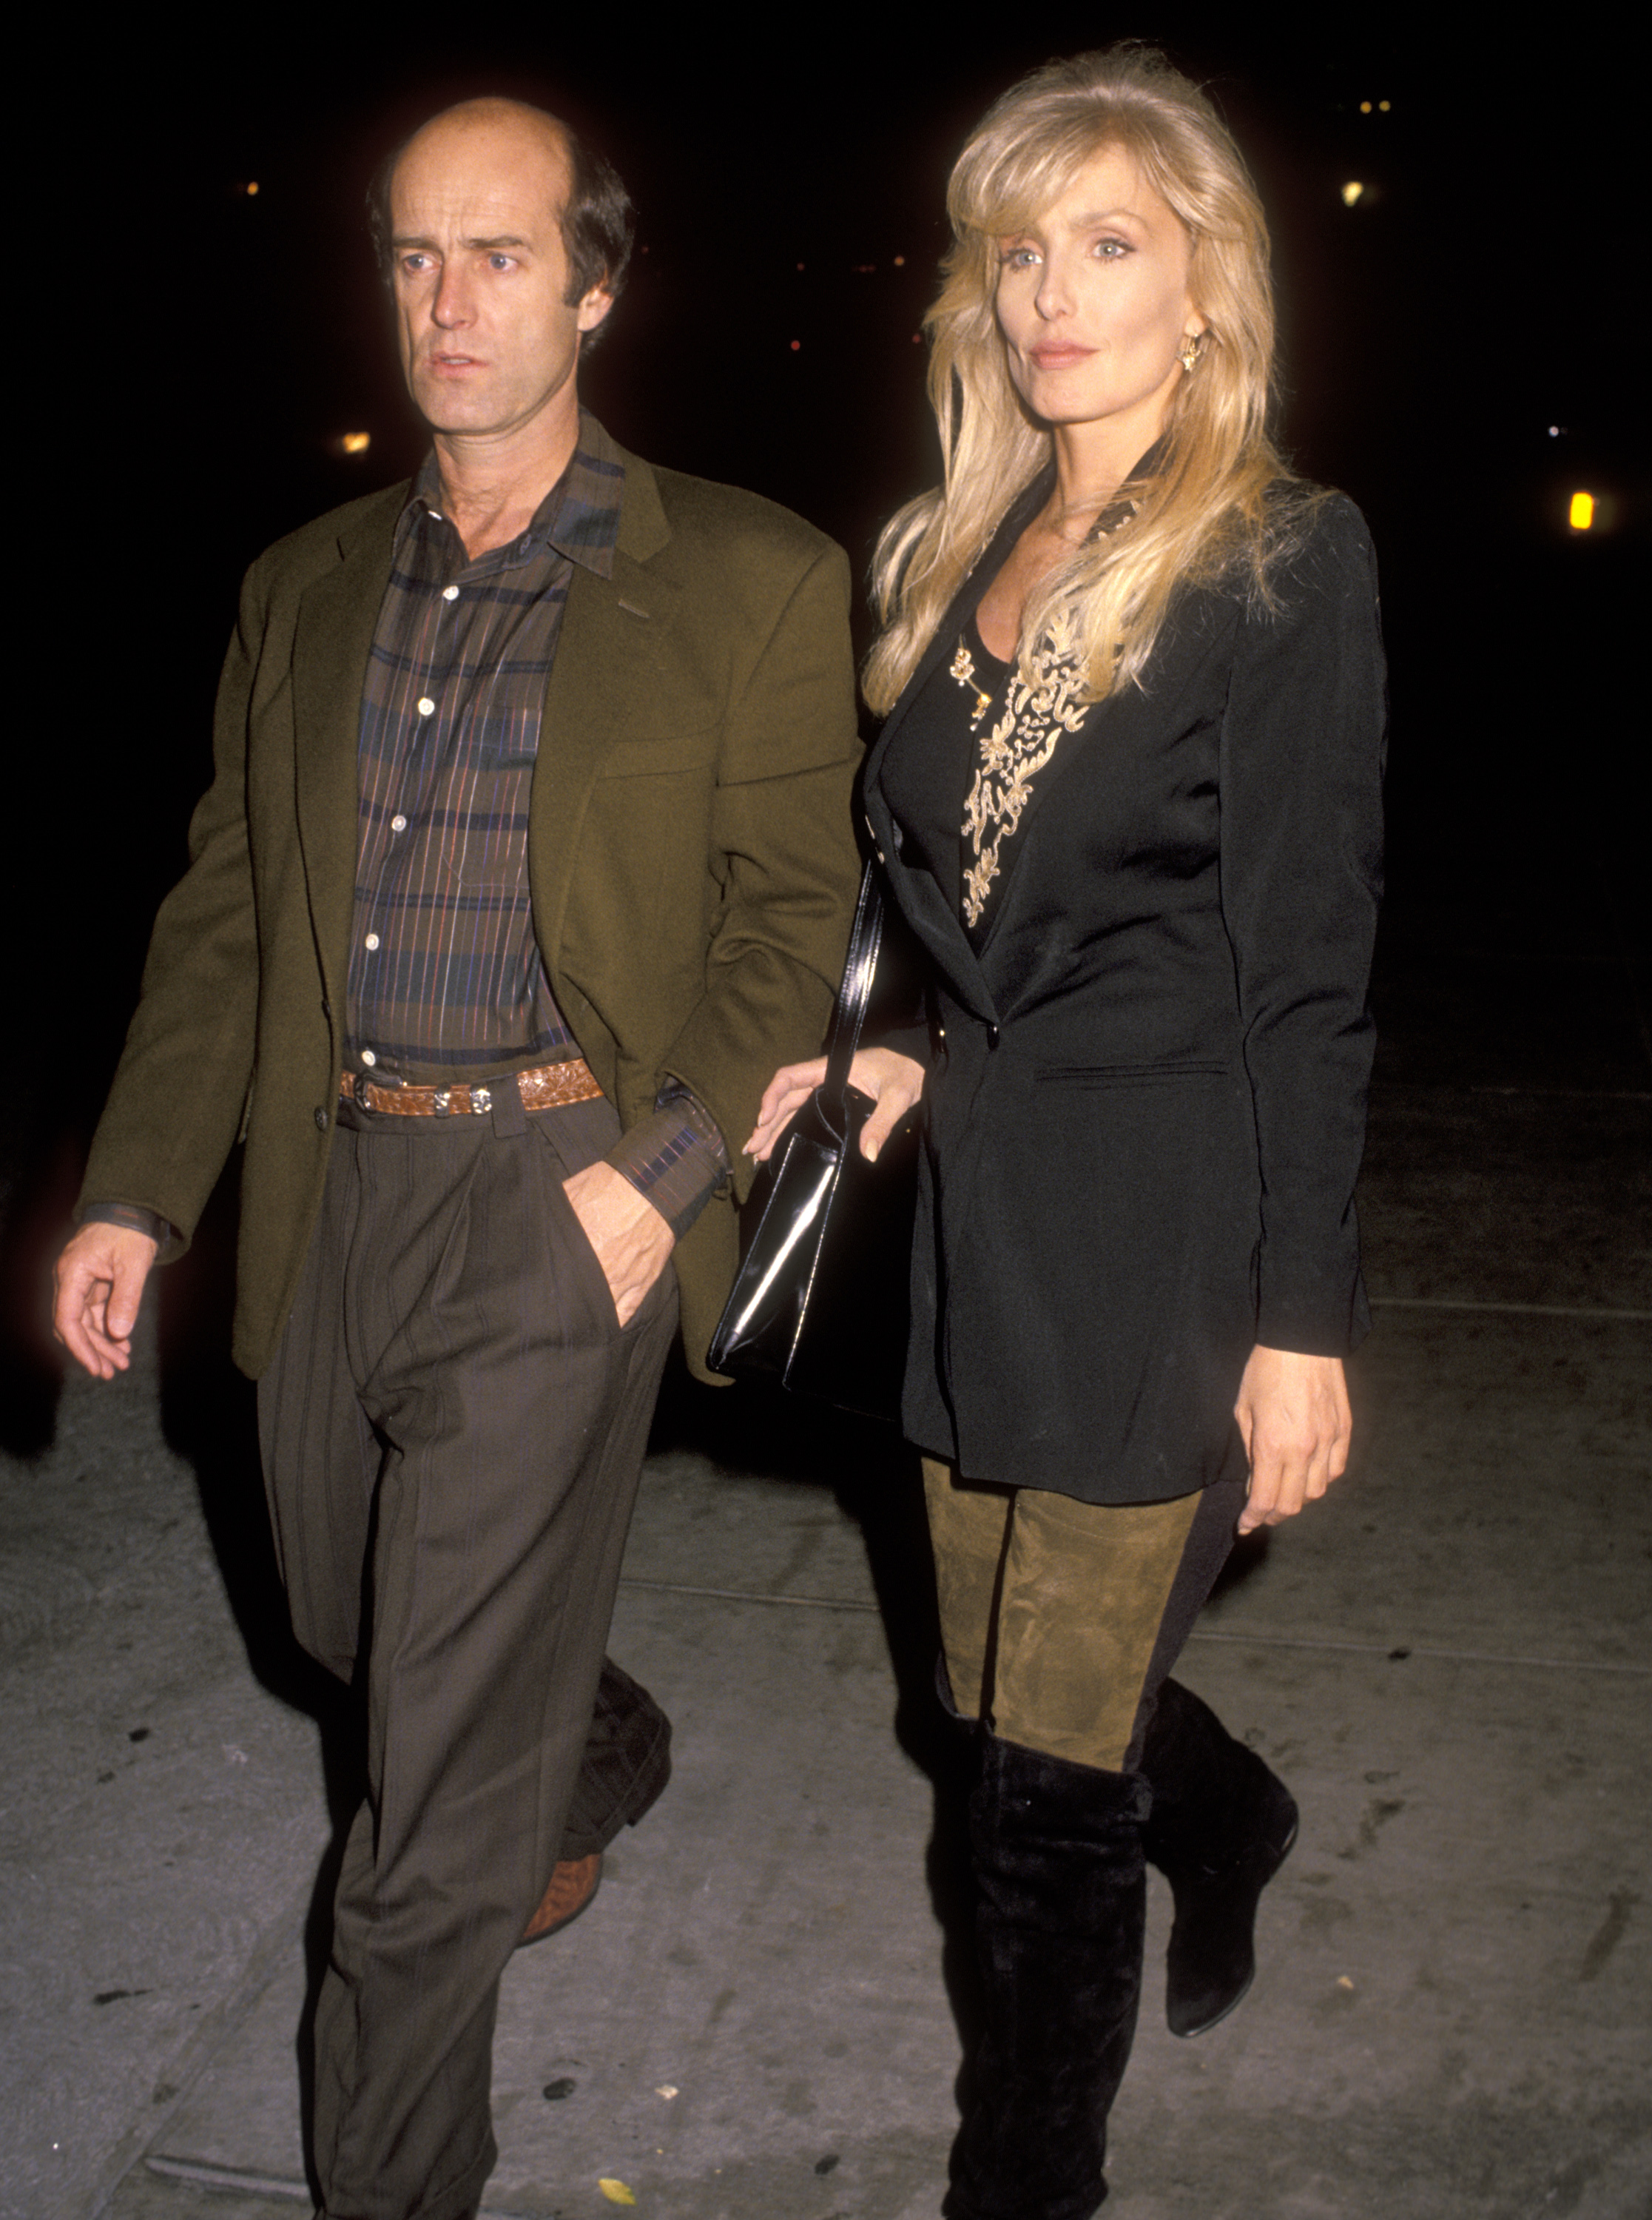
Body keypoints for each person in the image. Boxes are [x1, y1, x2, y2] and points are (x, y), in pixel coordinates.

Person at [53, 96, 860, 2220]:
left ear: (593, 285)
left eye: (500, 255)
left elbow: (796, 918)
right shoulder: (300, 588)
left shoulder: (751, 577)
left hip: (561, 1198)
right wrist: (141, 1184)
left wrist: (660, 1167)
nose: (450, 301)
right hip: (332, 1199)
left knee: (411, 1840)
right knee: (341, 1622)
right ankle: (579, 1740)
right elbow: (225, 918)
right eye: (415, 254)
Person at [749, 45, 1386, 2220]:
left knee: (1029, 1800)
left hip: (1162, 1238)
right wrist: (910, 1050)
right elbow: (958, 901)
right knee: (995, 1703)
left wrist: (1298, 1322)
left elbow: (1304, 969)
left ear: (1205, 284)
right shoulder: (965, 544)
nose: (1050, 292)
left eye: (1107, 244)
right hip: (980, 1217)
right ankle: (1221, 1816)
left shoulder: (1283, 559)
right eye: (1017, 249)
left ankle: (1022, 2190)